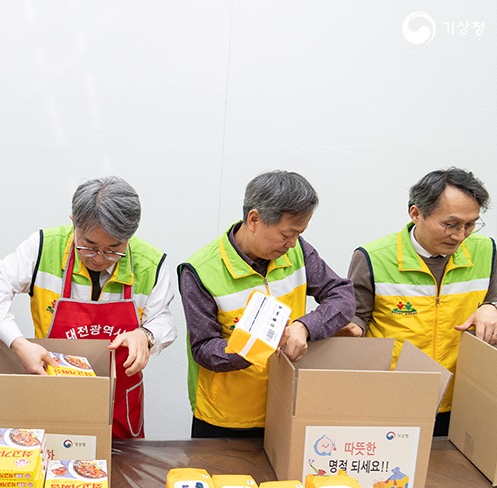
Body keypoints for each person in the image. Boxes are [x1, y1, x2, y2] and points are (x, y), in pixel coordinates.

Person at [0, 176, 176, 438]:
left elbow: (163, 321)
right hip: (55, 392)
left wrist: (146, 335)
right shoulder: (44, 247)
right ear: (74, 224)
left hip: (119, 403)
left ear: (129, 236)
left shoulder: (151, 263)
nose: (100, 259)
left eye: (114, 249)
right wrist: (18, 343)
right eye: (89, 247)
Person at [178, 170, 354, 438]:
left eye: (299, 233)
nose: (292, 243)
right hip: (227, 419)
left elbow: (342, 295)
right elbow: (203, 348)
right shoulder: (200, 271)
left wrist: (304, 327)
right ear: (254, 219)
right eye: (287, 233)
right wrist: (256, 345)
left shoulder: (298, 251)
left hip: (286, 407)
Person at [342, 167, 496, 437]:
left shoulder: (486, 251)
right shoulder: (373, 257)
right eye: (450, 224)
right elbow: (358, 318)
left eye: (470, 225)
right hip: (392, 402)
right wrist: (347, 328)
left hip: (464, 401)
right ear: (416, 213)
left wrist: (492, 307)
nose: (460, 236)